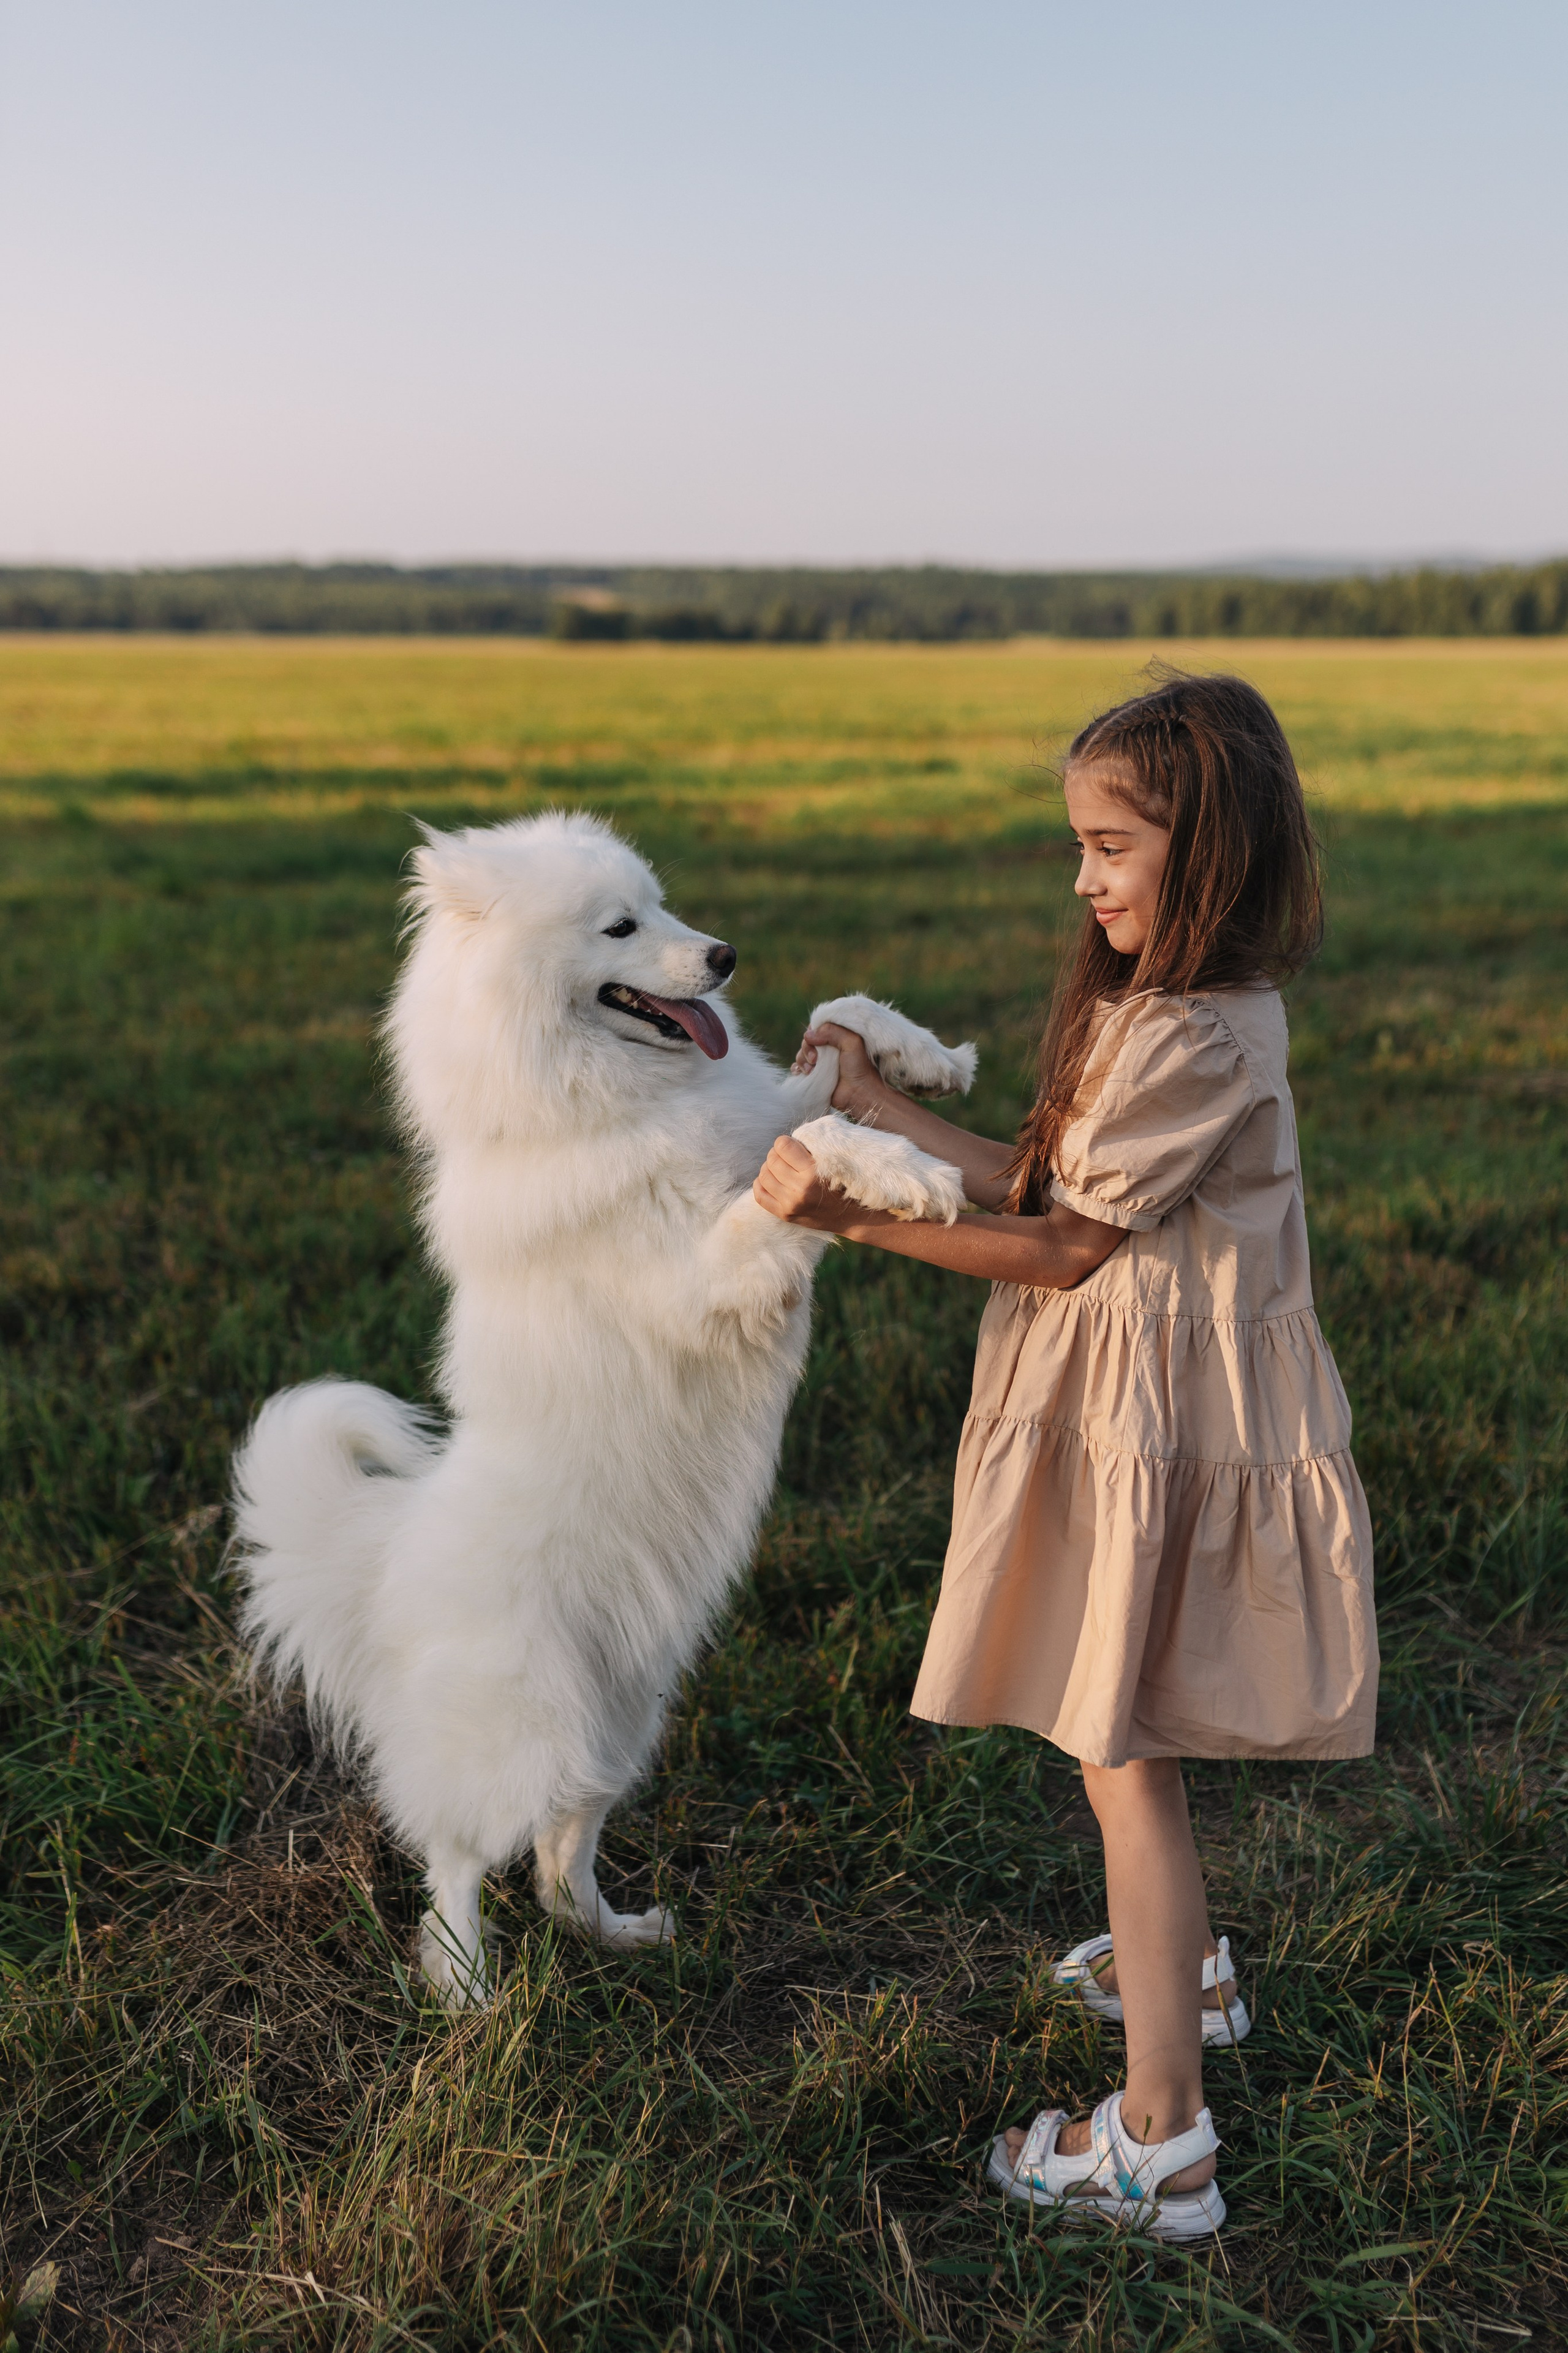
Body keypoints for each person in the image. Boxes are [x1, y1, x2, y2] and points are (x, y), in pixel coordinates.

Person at [753, 670, 1378, 2240]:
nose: (1084, 877)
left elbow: (1056, 1250)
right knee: (1121, 1729)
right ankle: (1185, 1968)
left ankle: (1159, 2136)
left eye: (1111, 846)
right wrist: (876, 1104)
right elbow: (1035, 1175)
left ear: (1210, 852)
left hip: (1158, 1420)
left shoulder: (1189, 1034)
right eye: (1077, 845)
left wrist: (853, 1212)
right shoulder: (1159, 1010)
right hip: (1137, 1404)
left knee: (1120, 1744)